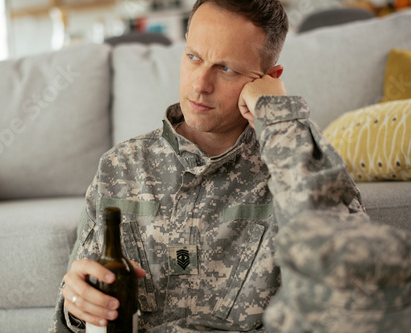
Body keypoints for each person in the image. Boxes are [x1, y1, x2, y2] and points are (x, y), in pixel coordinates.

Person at [50, 0, 366, 332]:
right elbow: (77, 309)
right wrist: (76, 309)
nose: (200, 85)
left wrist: (279, 116)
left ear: (269, 79)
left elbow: (352, 280)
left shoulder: (295, 161)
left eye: (226, 68)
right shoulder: (119, 167)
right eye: (193, 57)